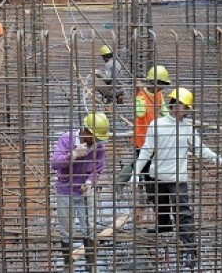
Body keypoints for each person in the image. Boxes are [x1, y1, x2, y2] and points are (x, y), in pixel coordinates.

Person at [131, 87, 222, 269]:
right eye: (184, 107)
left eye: (188, 108)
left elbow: (202, 150)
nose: (187, 111)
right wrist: (135, 174)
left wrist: (221, 160)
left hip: (177, 178)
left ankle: (190, 249)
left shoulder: (188, 128)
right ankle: (164, 227)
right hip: (156, 176)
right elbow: (146, 151)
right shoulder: (157, 125)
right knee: (159, 203)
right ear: (174, 105)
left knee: (183, 213)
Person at [50, 112, 110, 268]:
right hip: (65, 190)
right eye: (95, 137)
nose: (96, 141)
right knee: (66, 229)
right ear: (87, 131)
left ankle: (91, 264)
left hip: (84, 192)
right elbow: (55, 164)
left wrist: (90, 182)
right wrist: (74, 154)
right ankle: (67, 264)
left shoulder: (99, 146)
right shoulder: (66, 139)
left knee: (89, 227)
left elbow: (98, 168)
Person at [114, 65, 171, 196]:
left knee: (146, 164)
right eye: (161, 83)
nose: (162, 87)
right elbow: (140, 113)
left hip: (153, 135)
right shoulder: (141, 95)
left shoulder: (159, 94)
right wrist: (139, 99)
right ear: (153, 82)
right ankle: (121, 182)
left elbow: (164, 109)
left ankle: (149, 194)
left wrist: (172, 120)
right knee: (142, 163)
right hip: (141, 136)